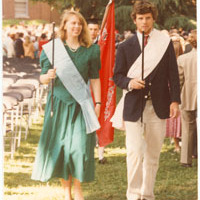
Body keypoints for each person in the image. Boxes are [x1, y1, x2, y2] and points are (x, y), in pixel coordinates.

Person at [112, 1, 180, 200]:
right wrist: (130, 82)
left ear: (153, 19)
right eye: (140, 18)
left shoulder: (164, 42)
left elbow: (173, 75)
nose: (144, 22)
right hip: (133, 106)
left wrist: (175, 101)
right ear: (135, 20)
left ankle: (147, 194)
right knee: (133, 153)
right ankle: (133, 195)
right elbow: (117, 76)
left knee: (153, 154)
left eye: (148, 18)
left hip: (157, 106)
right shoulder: (125, 46)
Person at [31, 10, 101, 200]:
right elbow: (42, 78)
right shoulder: (52, 49)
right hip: (59, 105)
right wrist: (48, 76)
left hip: (81, 105)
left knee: (79, 148)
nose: (77, 27)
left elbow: (95, 79)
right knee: (61, 148)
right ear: (64, 26)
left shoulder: (91, 50)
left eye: (79, 24)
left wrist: (99, 102)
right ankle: (66, 191)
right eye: (73, 23)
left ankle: (77, 189)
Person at [87, 19, 107, 164]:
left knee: (99, 116)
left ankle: (101, 152)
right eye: (91, 29)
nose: (93, 32)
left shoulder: (102, 46)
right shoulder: (81, 46)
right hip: (85, 86)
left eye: (96, 29)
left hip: (99, 84)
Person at [178, 29, 197, 167]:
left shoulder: (183, 59)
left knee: (187, 127)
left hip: (188, 95)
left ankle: (186, 159)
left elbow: (179, 81)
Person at [166, 36, 183, 153]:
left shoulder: (167, 63)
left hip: (171, 94)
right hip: (181, 94)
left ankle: (176, 144)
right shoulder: (182, 61)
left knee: (173, 119)